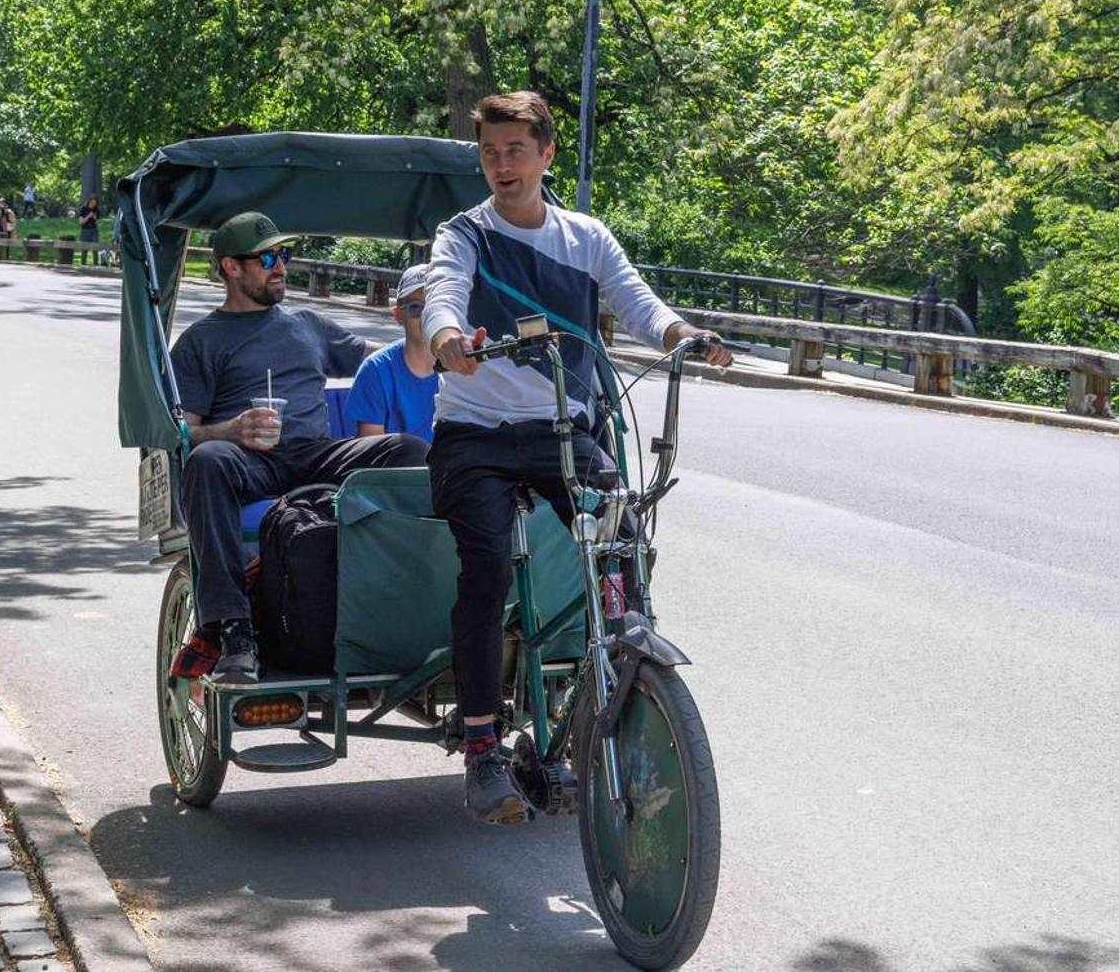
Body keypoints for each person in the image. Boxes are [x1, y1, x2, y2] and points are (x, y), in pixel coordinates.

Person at [423, 91, 732, 825]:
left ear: (546, 154)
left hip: (564, 429)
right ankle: (482, 749)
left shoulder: (585, 237)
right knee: (488, 565)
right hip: (476, 436)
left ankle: (617, 672)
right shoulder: (464, 233)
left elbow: (637, 301)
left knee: (620, 539)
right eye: (490, 153)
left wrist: (681, 335)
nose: (502, 165)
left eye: (516, 151)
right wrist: (446, 340)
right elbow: (443, 295)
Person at [166, 211, 429, 686]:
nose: (281, 267)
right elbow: (185, 432)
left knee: (407, 451)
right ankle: (234, 631)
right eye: (267, 257)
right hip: (248, 461)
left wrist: (437, 336)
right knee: (205, 461)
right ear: (231, 267)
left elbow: (383, 359)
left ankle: (410, 605)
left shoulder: (307, 324)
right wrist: (230, 430)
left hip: (314, 455)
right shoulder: (201, 342)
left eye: (283, 255)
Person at [348, 265, 441, 440]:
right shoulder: (376, 370)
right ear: (398, 315)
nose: (427, 317)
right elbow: (372, 452)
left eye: (437, 307)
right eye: (416, 308)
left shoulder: (463, 368)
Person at [76, 195, 102, 264]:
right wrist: (88, 216)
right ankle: (83, 265)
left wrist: (95, 218)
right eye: (92, 203)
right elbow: (81, 222)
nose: (93, 205)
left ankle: (96, 266)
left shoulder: (97, 210)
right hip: (85, 230)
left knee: (95, 249)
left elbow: (98, 223)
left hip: (94, 230)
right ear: (89, 202)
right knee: (84, 249)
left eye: (95, 204)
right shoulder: (83, 209)